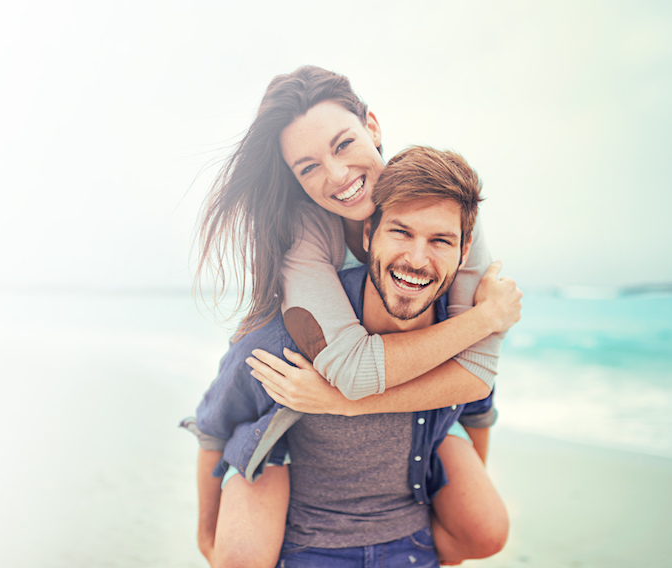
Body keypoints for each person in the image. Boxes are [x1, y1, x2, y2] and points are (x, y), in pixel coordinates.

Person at [187, 66, 521, 566]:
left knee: (487, 526)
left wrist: (350, 406)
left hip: (418, 407)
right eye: (309, 167)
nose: (338, 176)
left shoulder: (439, 203)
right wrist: (486, 318)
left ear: (374, 127)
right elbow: (352, 371)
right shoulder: (306, 231)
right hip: (319, 396)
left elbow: (477, 378)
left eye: (343, 144)